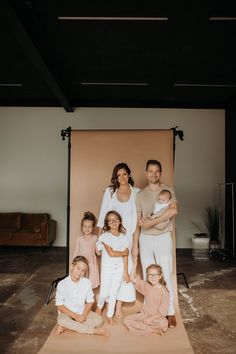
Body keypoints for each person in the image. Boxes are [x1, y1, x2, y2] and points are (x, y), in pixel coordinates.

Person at [132, 160, 178, 329]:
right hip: (145, 239)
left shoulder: (168, 190)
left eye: (157, 171)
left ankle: (170, 312)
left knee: (165, 273)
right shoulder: (140, 195)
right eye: (150, 171)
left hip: (163, 237)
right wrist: (136, 244)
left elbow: (173, 210)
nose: (153, 174)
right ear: (146, 173)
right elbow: (139, 221)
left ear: (160, 172)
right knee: (147, 276)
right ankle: (148, 310)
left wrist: (153, 222)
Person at [97, 162, 140, 319]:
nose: (122, 177)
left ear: (129, 174)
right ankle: (108, 304)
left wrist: (135, 245)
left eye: (124, 174)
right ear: (116, 177)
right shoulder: (110, 192)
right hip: (111, 238)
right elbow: (102, 217)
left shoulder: (137, 192)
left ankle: (119, 306)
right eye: (119, 175)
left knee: (125, 273)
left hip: (126, 239)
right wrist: (98, 242)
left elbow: (137, 222)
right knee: (110, 273)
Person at [55, 255, 108, 336]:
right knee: (61, 320)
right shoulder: (62, 284)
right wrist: (75, 316)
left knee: (99, 320)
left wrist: (83, 315)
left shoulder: (87, 283)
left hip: (81, 312)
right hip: (66, 313)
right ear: (72, 266)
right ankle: (94, 331)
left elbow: (90, 302)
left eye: (83, 270)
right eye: (78, 268)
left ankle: (67, 327)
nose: (80, 272)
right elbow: (59, 305)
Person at [96, 211, 130, 325]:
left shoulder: (124, 238)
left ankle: (109, 315)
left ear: (120, 221)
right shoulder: (105, 237)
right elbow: (111, 253)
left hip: (119, 269)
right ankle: (99, 307)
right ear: (107, 224)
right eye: (110, 220)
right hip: (107, 268)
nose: (113, 222)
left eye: (115, 219)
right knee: (104, 293)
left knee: (114, 292)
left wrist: (126, 272)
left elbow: (126, 256)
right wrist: (124, 252)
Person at [123, 264, 169, 336]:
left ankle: (143, 327)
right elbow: (132, 278)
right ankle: (153, 330)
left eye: (155, 275)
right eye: (150, 275)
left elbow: (162, 312)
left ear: (160, 276)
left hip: (156, 318)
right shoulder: (146, 286)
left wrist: (150, 319)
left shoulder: (164, 292)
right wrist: (135, 262)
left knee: (164, 324)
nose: (152, 277)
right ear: (147, 276)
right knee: (126, 320)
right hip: (144, 314)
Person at [73, 211, 99, 289]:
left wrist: (102, 244)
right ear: (82, 227)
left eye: (89, 227)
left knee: (90, 282)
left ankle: (89, 298)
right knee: (81, 282)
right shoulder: (79, 239)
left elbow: (98, 252)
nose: (87, 229)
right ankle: (81, 298)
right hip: (81, 263)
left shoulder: (95, 238)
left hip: (91, 263)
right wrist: (73, 264)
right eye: (85, 226)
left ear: (93, 227)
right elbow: (76, 252)